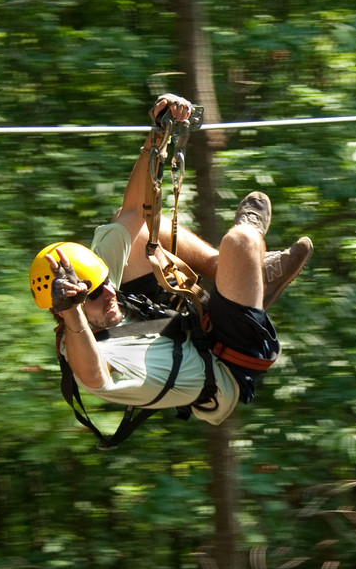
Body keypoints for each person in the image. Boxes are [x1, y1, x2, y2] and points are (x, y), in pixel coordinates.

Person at [29, 94, 312, 434]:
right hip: (225, 361)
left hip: (188, 325)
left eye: (104, 282)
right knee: (242, 241)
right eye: (91, 295)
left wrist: (160, 134)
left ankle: (234, 270)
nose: (109, 293)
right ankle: (245, 266)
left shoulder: (101, 288)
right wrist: (73, 312)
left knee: (135, 226)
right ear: (65, 310)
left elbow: (135, 209)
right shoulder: (84, 351)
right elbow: (95, 379)